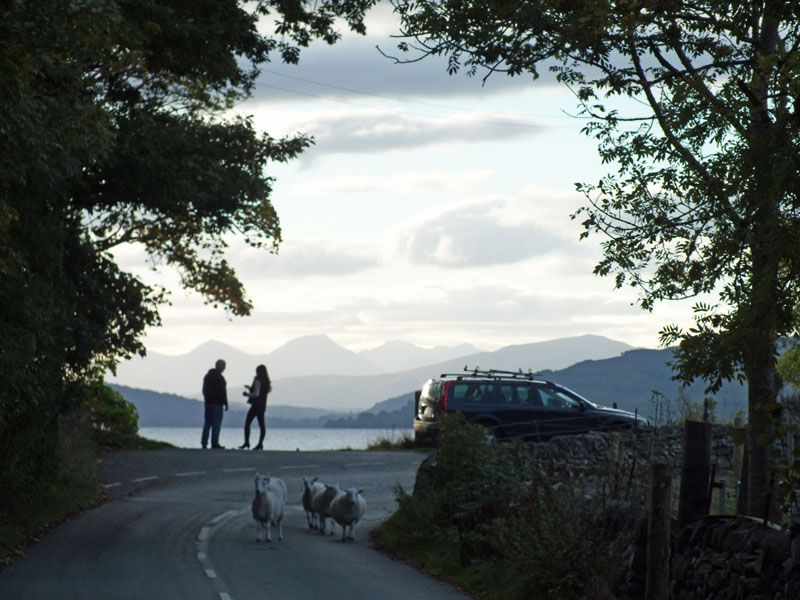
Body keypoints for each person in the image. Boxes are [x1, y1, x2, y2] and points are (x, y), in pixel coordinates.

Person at [239, 364, 271, 450]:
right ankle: (260, 443)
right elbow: (261, 392)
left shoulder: (257, 380)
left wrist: (247, 394)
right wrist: (250, 388)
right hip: (262, 405)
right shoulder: (267, 382)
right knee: (262, 425)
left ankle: (246, 442)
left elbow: (256, 394)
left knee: (247, 424)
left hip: (256, 405)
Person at [202, 359, 228, 449]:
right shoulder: (220, 378)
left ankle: (204, 443)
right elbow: (223, 392)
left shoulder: (207, 376)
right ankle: (214, 443)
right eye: (223, 366)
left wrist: (207, 399)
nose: (224, 368)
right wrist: (225, 402)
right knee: (216, 424)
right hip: (217, 403)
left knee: (207, 423)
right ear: (219, 366)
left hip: (208, 403)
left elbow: (204, 390)